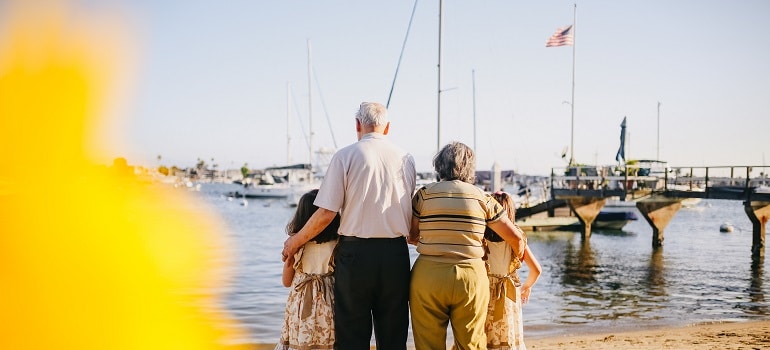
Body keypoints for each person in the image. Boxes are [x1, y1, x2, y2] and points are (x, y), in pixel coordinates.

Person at [282, 102, 415, 350]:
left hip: (356, 254)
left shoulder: (345, 156)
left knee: (353, 335)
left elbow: (326, 213)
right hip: (396, 254)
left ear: (357, 124)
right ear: (387, 128)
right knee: (394, 333)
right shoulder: (406, 159)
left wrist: (295, 241)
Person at [408, 142, 527, 350]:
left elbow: (411, 235)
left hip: (428, 276)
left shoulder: (424, 194)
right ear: (470, 168)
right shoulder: (482, 198)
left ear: (439, 165)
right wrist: (512, 266)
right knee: (471, 344)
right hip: (471, 276)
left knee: (427, 344)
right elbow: (515, 238)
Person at [276, 189, 341, 350]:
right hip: (329, 303)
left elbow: (286, 282)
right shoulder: (339, 244)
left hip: (300, 306)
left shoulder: (296, 246)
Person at [484, 191, 542, 350]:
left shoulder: (480, 235)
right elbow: (536, 270)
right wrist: (525, 288)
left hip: (485, 291)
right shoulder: (516, 237)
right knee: (507, 338)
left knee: (484, 339)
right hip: (508, 293)